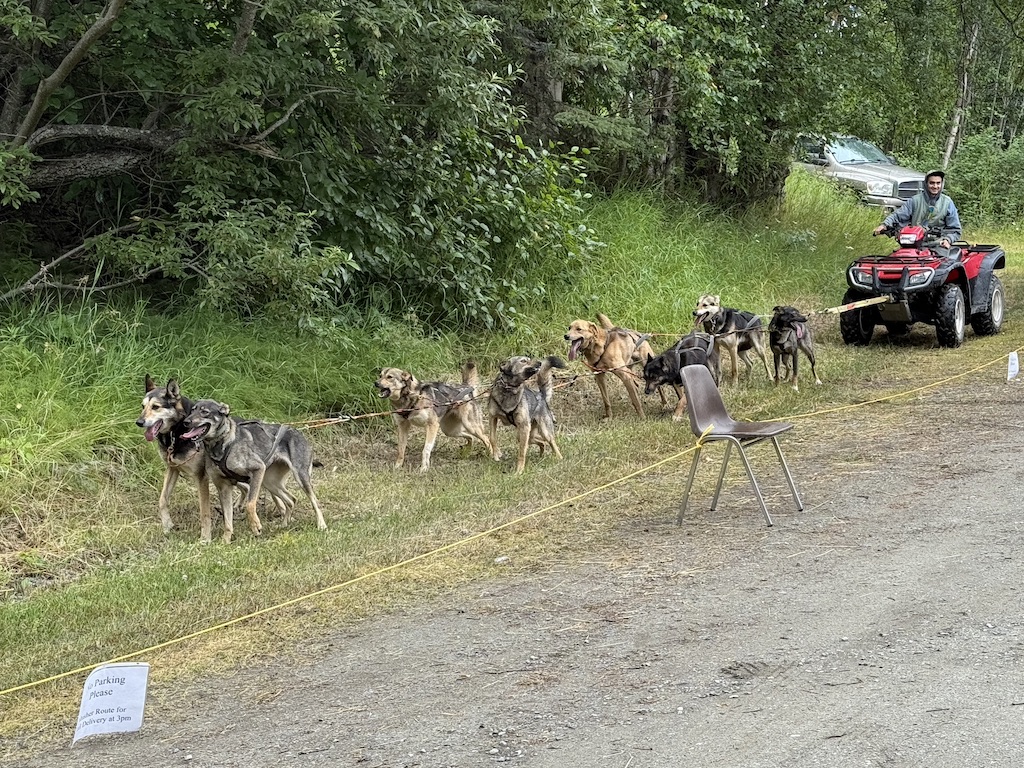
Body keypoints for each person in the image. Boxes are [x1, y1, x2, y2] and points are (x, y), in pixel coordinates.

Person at [872, 169, 962, 249]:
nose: (935, 186)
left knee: (944, 266)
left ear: (942, 184)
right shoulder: (914, 200)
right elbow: (897, 216)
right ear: (926, 184)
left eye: (938, 183)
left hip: (939, 245)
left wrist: (948, 239)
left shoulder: (948, 203)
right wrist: (884, 225)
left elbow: (955, 229)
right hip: (914, 244)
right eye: (932, 183)